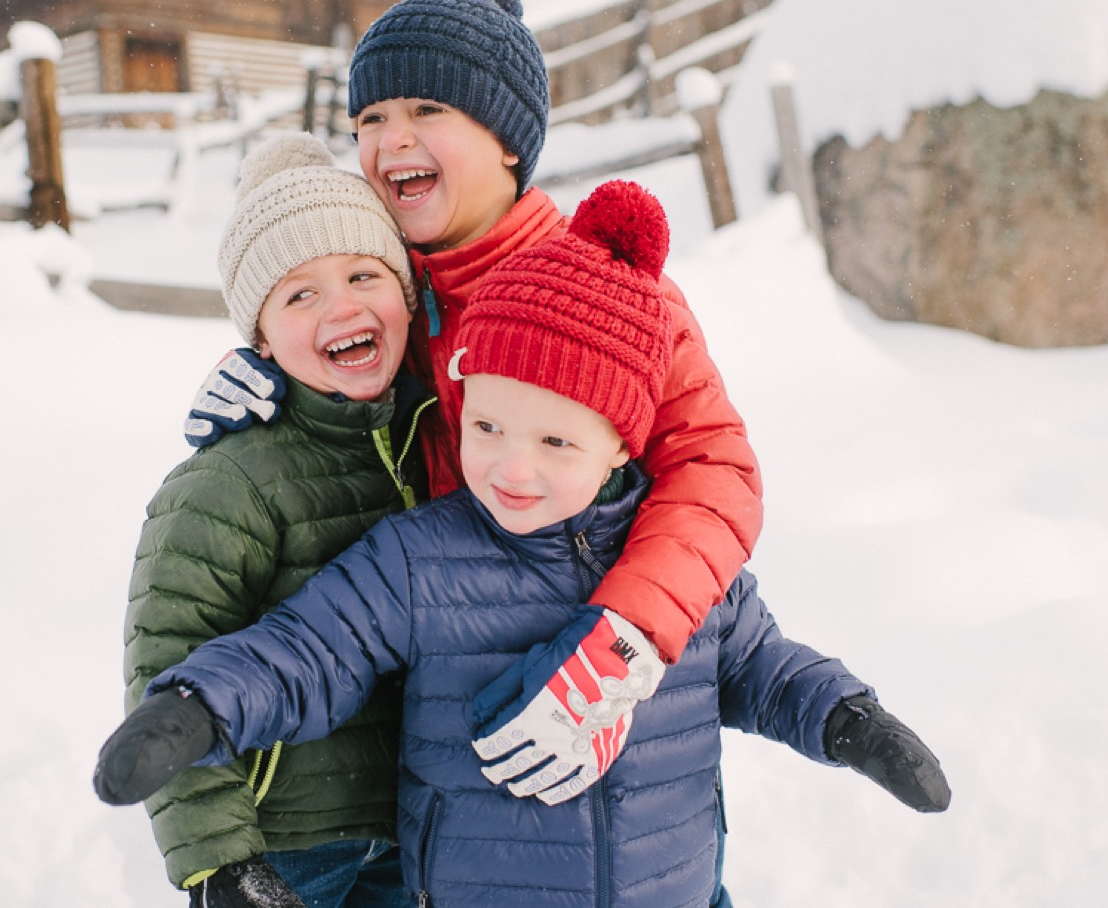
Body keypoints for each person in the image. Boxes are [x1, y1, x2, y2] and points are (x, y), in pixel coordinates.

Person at [96, 181, 950, 908]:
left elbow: (761, 666)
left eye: (554, 443)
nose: (510, 468)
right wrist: (197, 708)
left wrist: (851, 721)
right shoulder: (422, 557)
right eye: (489, 424)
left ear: (623, 443)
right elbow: (308, 650)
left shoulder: (676, 564)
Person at [183, 0, 768, 903]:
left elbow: (716, 473)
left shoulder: (605, 289)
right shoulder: (388, 295)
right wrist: (266, 370)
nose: (387, 140)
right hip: (453, 778)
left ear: (505, 138)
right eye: (368, 118)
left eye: (424, 112)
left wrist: (625, 639)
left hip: (625, 776)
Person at [121, 132, 432, 906]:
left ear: (406, 295)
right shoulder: (228, 482)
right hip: (286, 840)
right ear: (259, 338)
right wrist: (219, 860)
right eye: (299, 294)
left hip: (408, 827)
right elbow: (169, 666)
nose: (343, 305)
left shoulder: (447, 439)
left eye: (365, 273)